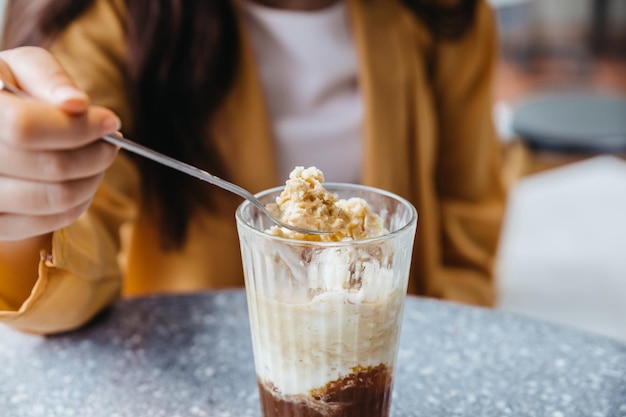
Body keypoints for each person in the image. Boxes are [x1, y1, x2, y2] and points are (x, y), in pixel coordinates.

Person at [0, 0, 507, 334]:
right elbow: (78, 257)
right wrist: (23, 206)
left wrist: (439, 352)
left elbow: (467, 224)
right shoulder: (107, 19)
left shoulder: (444, 16)